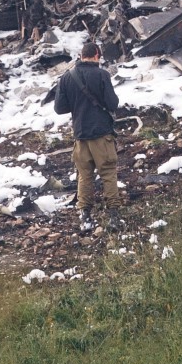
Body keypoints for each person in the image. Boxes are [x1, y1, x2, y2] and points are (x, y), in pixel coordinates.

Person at [53, 41, 122, 233]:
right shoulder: (101, 75)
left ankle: (85, 216)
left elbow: (59, 108)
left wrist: (77, 105)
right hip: (102, 135)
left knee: (84, 176)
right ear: (96, 55)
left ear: (81, 55)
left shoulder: (67, 77)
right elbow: (113, 103)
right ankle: (114, 216)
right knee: (108, 173)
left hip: (80, 135)